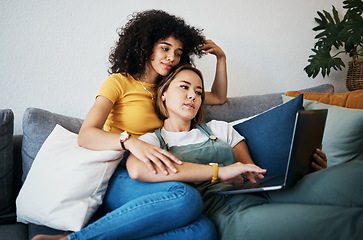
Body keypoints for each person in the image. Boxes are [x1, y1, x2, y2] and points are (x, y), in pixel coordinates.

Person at [33, 9, 230, 240]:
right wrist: (130, 142)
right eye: (164, 48)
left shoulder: (170, 90)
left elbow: (218, 96)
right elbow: (86, 135)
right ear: (146, 46)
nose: (171, 58)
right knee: (186, 197)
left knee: (204, 231)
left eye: (177, 53)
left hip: (154, 169)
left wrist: (221, 58)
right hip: (119, 170)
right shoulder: (118, 82)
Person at [125, 65, 363, 240]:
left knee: (355, 176)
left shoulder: (220, 128)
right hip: (224, 211)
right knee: (347, 223)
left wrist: (306, 167)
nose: (193, 96)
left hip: (263, 195)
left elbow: (252, 176)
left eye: (199, 92)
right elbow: (137, 170)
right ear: (163, 93)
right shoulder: (153, 140)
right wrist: (220, 171)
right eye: (184, 87)